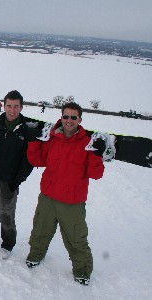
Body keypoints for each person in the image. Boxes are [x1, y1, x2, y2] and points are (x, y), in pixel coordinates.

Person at [25, 102, 105, 286]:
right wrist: (33, 141)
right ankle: (35, 256)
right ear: (61, 117)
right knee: (40, 230)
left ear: (80, 120)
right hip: (48, 197)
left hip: (72, 202)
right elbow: (37, 160)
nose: (69, 121)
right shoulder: (52, 138)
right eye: (66, 116)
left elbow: (96, 174)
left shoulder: (88, 143)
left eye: (73, 117)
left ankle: (82, 271)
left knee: (76, 239)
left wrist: (97, 154)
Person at [0, 90, 34, 259]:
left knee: (7, 216)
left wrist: (17, 180)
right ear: (4, 105)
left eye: (16, 106)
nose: (12, 110)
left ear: (21, 107)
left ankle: (7, 244)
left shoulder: (27, 129)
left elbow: (29, 159)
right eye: (9, 106)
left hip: (9, 181)